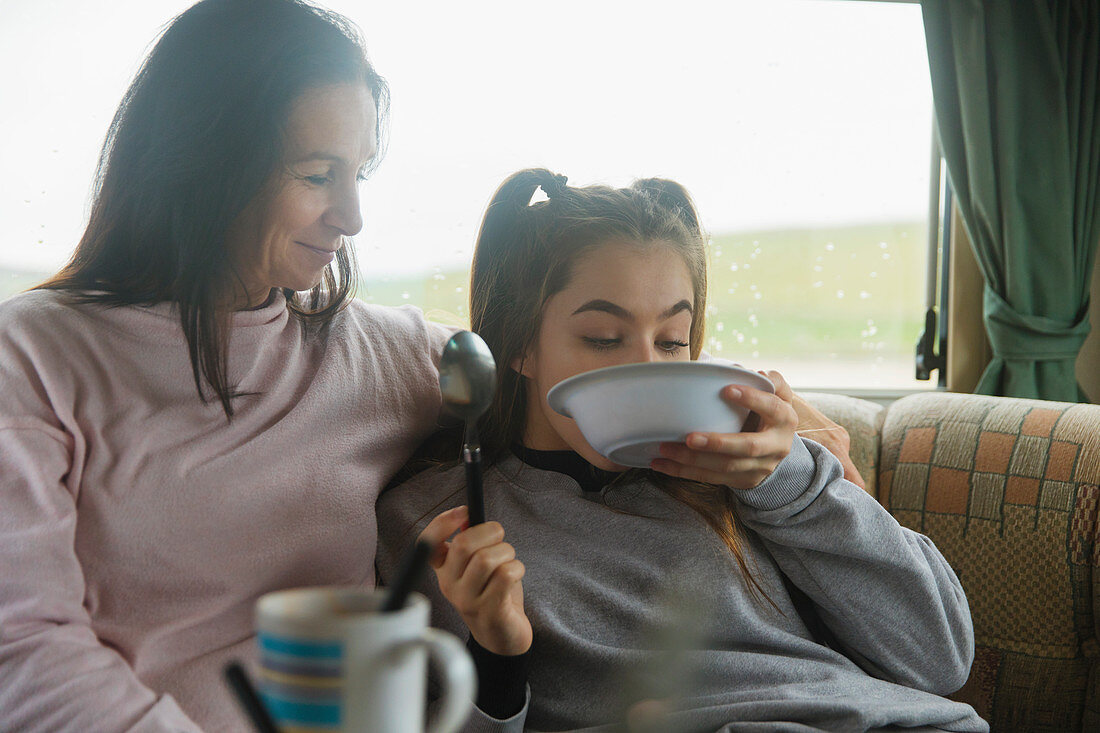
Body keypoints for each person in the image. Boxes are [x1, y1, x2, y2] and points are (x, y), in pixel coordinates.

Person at [377, 169, 988, 732]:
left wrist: (790, 482)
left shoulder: (756, 469)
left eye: (671, 341)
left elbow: (940, 658)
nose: (646, 367)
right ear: (520, 348)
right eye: (604, 338)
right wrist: (497, 661)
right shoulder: (441, 522)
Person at [0, 1, 453, 730]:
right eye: (316, 174)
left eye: (358, 174)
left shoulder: (376, 354)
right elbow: (21, 651)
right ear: (206, 163)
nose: (351, 216)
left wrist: (706, 457)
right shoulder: (30, 357)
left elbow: (557, 390)